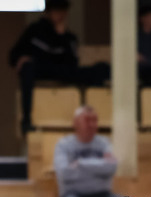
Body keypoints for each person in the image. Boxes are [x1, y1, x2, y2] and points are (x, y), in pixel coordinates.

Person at [10, 0, 108, 134]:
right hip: (40, 70)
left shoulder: (69, 37)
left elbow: (72, 63)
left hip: (62, 71)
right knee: (27, 68)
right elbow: (14, 55)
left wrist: (61, 36)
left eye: (62, 11)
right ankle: (26, 120)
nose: (60, 15)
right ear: (49, 12)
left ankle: (95, 121)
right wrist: (21, 58)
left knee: (101, 69)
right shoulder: (34, 31)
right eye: (56, 11)